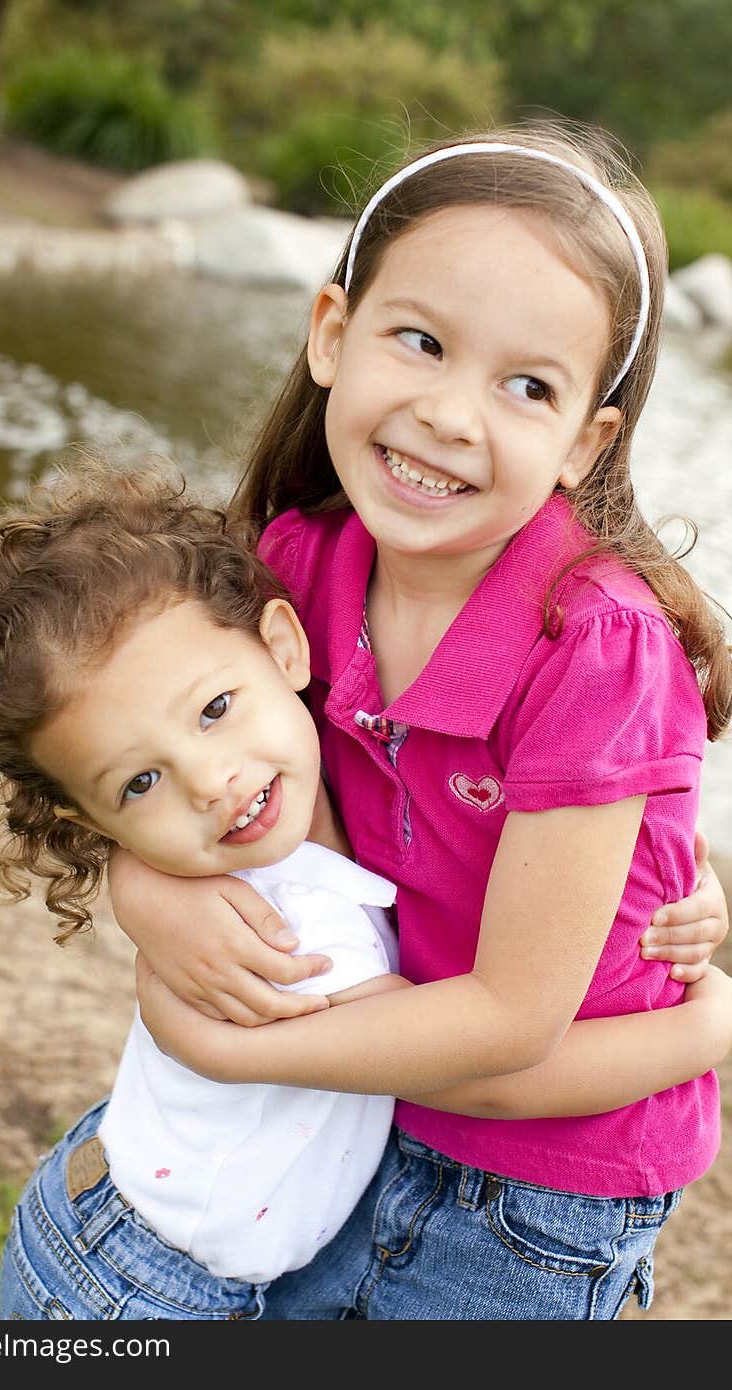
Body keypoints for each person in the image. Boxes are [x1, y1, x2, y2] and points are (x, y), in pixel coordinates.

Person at [110, 120, 732, 1320]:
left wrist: (234, 1046)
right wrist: (152, 890)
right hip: (355, 1099)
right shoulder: (295, 561)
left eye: (526, 385)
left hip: (541, 1185)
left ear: (582, 442)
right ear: (331, 333)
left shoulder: (592, 646)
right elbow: (147, 754)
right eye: (420, 340)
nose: (452, 414)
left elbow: (510, 1032)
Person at [0, 461, 729, 1323]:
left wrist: (671, 876)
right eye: (142, 782)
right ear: (94, 817)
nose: (211, 782)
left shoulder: (310, 817)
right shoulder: (289, 940)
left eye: (214, 710)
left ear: (283, 647)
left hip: (121, 1237)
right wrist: (709, 1025)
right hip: (138, 1290)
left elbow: (494, 813)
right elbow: (483, 1061)